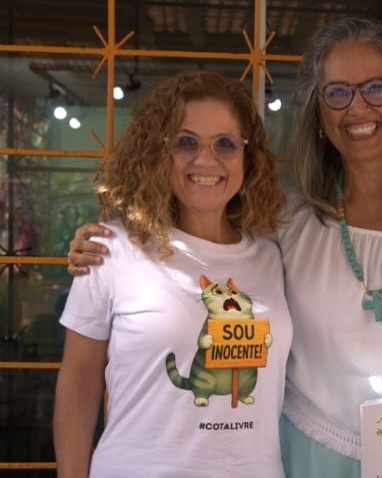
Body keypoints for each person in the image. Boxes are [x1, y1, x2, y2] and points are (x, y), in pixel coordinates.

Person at [65, 17, 382, 478]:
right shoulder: (286, 223)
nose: (357, 107)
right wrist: (108, 244)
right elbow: (200, 232)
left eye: (376, 88)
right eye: (337, 92)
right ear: (320, 113)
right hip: (307, 457)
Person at [53, 70, 293, 478]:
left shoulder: (273, 256)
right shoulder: (110, 249)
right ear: (157, 153)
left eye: (225, 143)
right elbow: (79, 382)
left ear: (247, 156)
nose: (206, 160)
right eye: (186, 142)